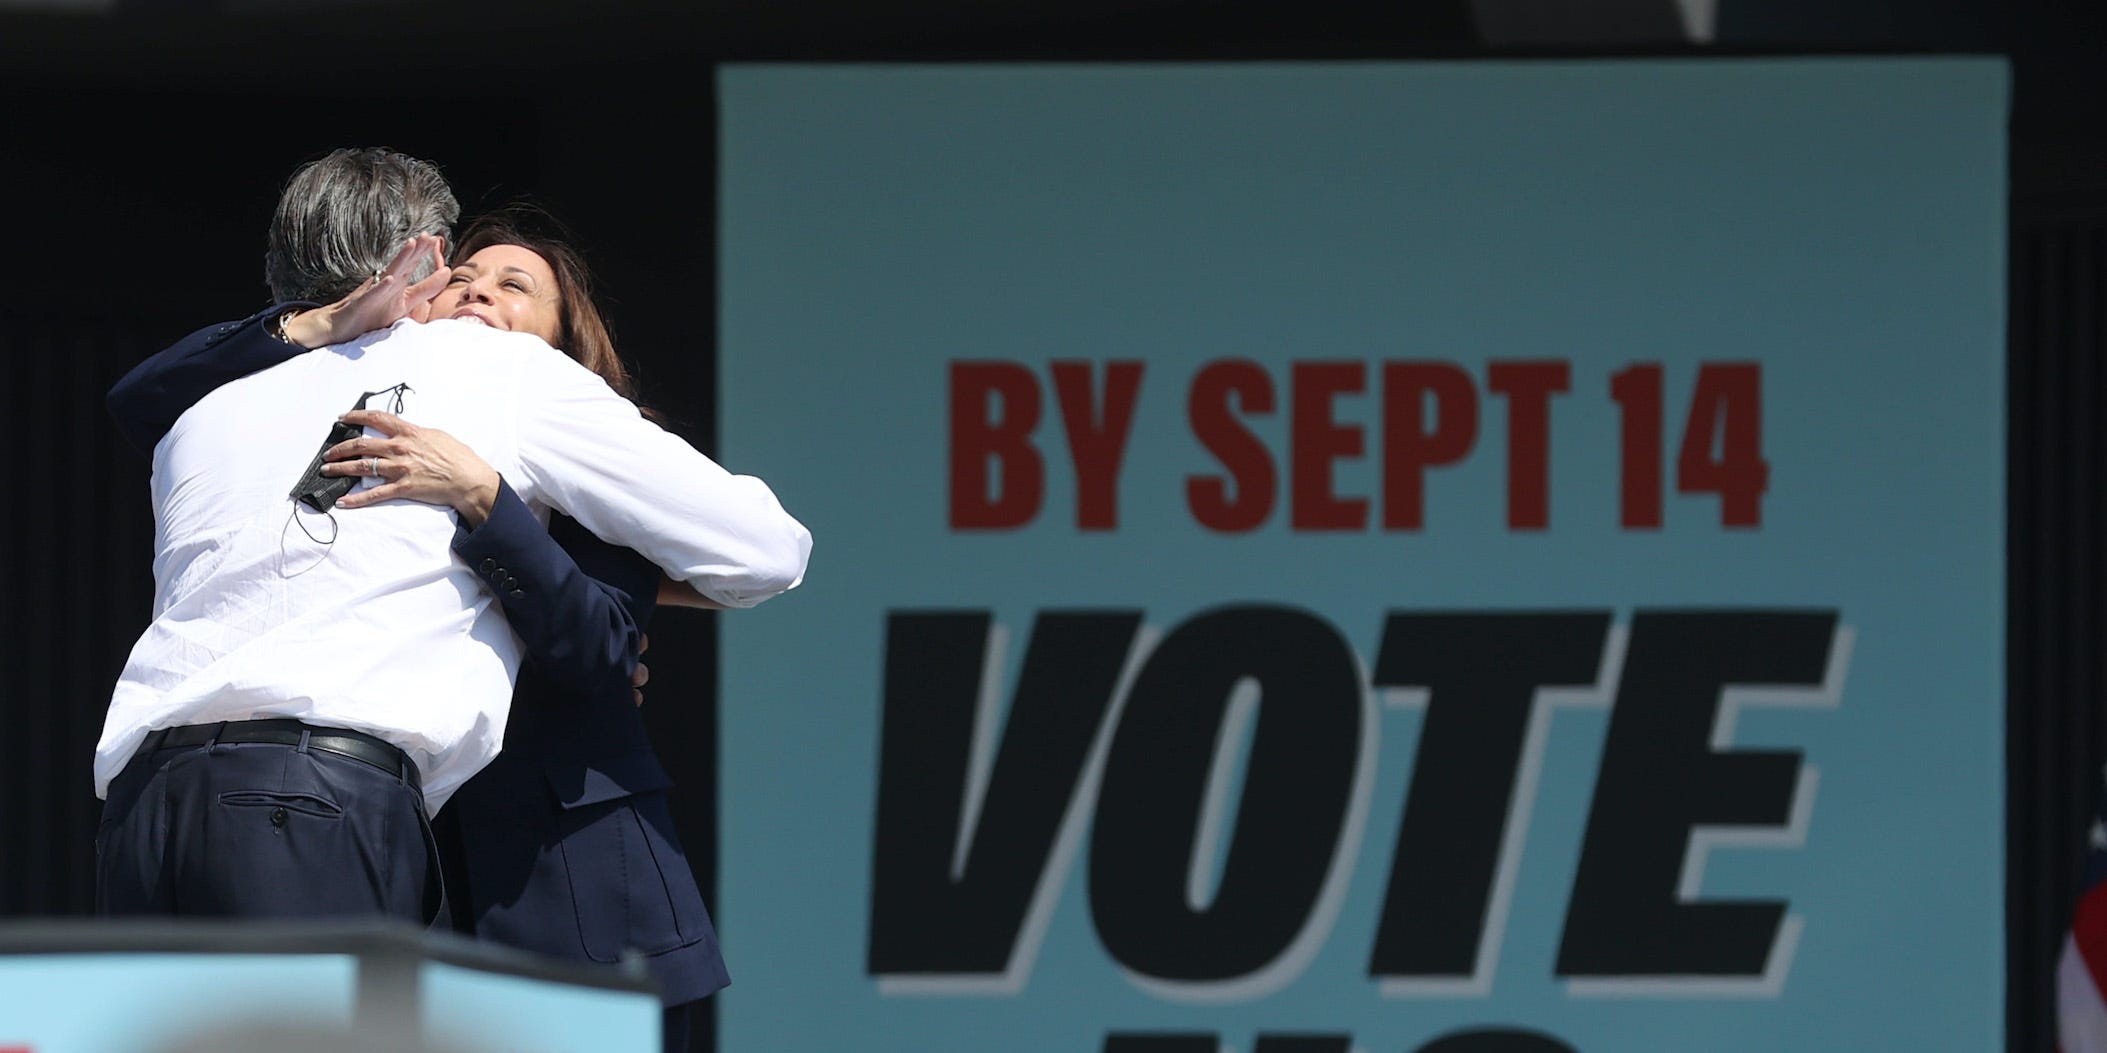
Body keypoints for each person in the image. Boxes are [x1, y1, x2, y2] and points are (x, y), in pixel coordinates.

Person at [94, 149, 811, 942]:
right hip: (314, 803)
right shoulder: (494, 367)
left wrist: (491, 501)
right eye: (463, 273)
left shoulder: (209, 404)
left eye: (512, 286)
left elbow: (137, 400)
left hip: (140, 808)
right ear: (426, 261)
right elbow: (766, 552)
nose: (476, 298)